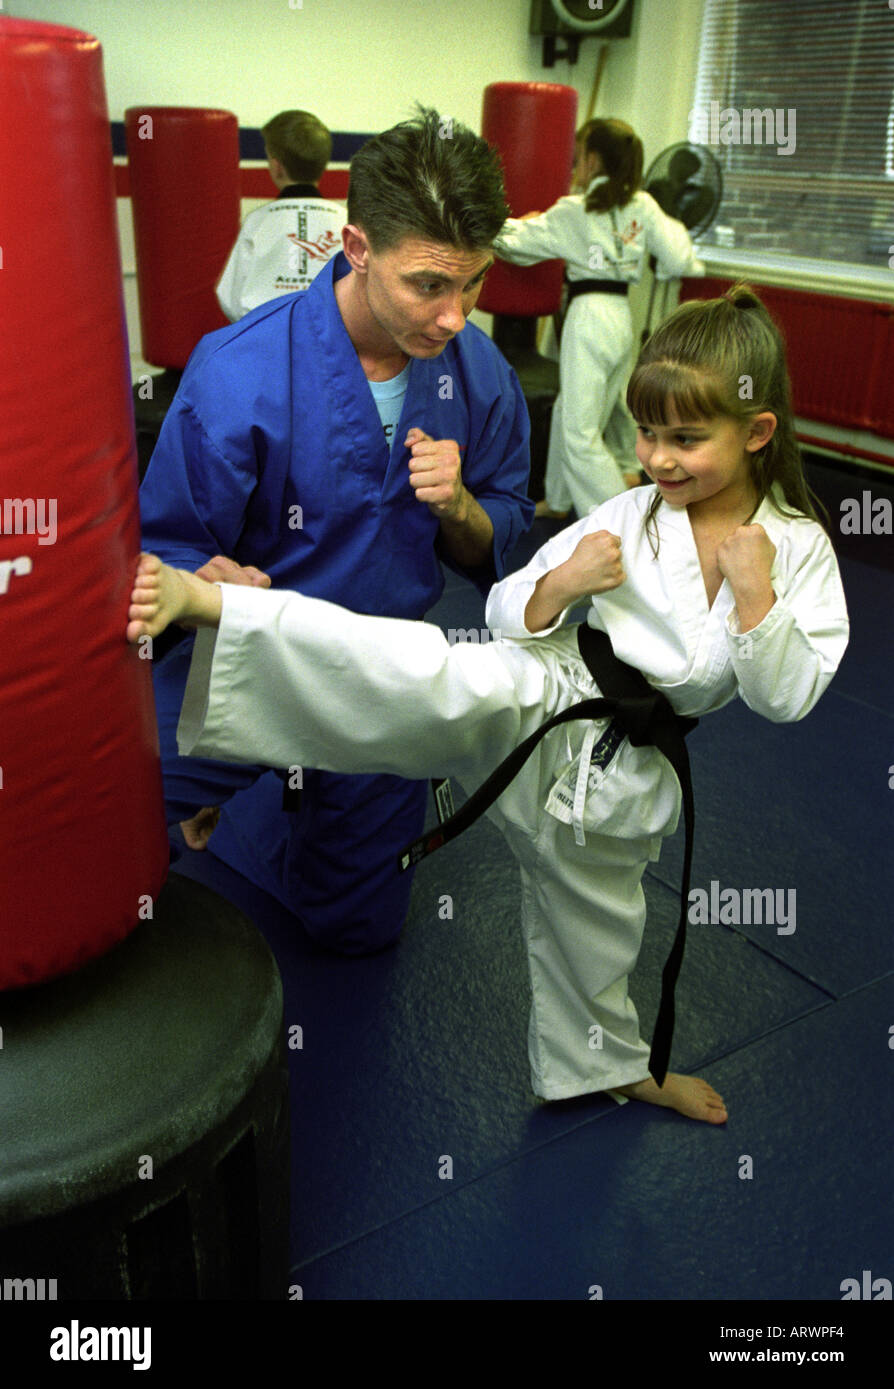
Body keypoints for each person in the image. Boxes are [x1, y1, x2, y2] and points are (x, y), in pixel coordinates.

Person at [129, 288, 849, 1122]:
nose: (656, 459)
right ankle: (217, 607)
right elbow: (504, 605)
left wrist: (757, 600)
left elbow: (788, 698)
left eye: (686, 439)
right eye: (647, 434)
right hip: (550, 686)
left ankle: (611, 1066)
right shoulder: (633, 511)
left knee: (599, 924)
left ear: (757, 433)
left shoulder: (794, 548)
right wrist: (561, 581)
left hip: (624, 765)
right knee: (414, 667)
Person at [139, 107, 534, 956]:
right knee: (108, 812)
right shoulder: (241, 369)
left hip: (380, 674)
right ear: (355, 249)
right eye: (428, 284)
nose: (454, 315)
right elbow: (164, 547)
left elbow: (506, 529)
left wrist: (461, 507)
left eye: (473, 283)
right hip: (246, 658)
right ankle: (243, 793)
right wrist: (206, 577)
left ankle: (275, 811)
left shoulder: (481, 373)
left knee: (353, 930)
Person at [493, 117, 702, 520]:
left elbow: (516, 244)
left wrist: (487, 223)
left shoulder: (576, 210)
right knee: (575, 414)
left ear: (592, 158)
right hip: (621, 317)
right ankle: (558, 499)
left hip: (588, 317)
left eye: (580, 154)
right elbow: (679, 258)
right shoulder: (642, 205)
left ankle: (624, 522)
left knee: (580, 433)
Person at [216, 110, 347, 321]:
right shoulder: (347, 221)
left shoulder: (258, 221)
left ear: (276, 167)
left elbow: (230, 297)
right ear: (323, 166)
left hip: (267, 343)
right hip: (334, 343)